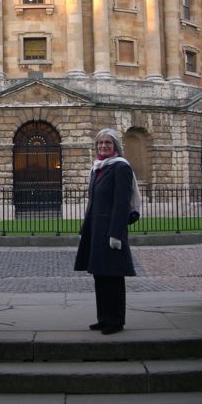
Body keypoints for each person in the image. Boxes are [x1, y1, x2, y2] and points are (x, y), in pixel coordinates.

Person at [74, 128, 140, 335]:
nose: (103, 146)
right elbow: (93, 202)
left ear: (115, 147)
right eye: (100, 143)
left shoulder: (120, 167)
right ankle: (103, 317)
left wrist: (116, 233)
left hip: (111, 230)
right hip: (96, 229)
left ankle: (116, 320)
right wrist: (86, 227)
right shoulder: (97, 168)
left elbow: (121, 203)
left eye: (107, 143)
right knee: (100, 275)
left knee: (113, 276)